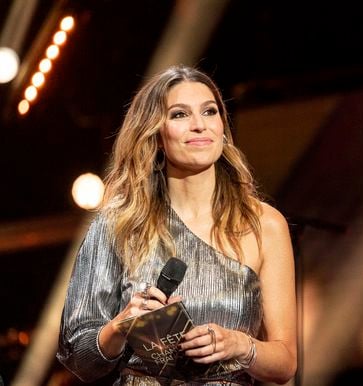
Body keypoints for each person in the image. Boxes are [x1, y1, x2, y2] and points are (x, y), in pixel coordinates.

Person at [57, 65, 297, 385]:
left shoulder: (264, 224)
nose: (199, 125)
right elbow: (79, 357)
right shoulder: (118, 224)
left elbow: (285, 364)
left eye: (209, 111)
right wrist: (121, 324)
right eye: (180, 115)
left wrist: (241, 345)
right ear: (156, 135)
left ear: (223, 128)